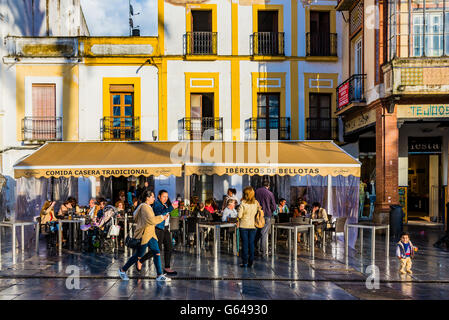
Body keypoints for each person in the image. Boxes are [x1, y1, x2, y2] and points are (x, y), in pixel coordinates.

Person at [118, 190, 170, 281]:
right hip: (145, 235)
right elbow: (151, 220)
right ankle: (122, 270)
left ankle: (159, 275)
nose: (154, 198)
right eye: (152, 197)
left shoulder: (147, 207)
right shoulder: (145, 207)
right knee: (138, 255)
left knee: (156, 252)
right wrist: (162, 217)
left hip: (151, 234)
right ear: (148, 198)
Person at [139, 190, 178, 276]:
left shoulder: (165, 204)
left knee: (169, 247)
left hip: (165, 228)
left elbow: (166, 213)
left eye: (167, 197)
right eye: (164, 196)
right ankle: (141, 260)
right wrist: (171, 208)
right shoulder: (157, 204)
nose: (165, 198)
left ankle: (167, 267)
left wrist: (171, 209)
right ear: (159, 196)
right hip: (158, 229)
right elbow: (160, 213)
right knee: (157, 249)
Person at [237, 186, 259, 268]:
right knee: (251, 244)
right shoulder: (256, 203)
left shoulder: (243, 203)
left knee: (245, 244)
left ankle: (245, 262)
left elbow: (239, 215)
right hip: (253, 225)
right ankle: (251, 261)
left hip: (244, 225)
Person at [254, 180, 276, 255]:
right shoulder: (270, 193)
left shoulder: (256, 191)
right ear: (268, 186)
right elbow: (274, 206)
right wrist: (271, 210)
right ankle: (263, 250)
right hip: (266, 214)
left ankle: (256, 248)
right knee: (264, 232)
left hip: (257, 214)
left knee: (257, 231)